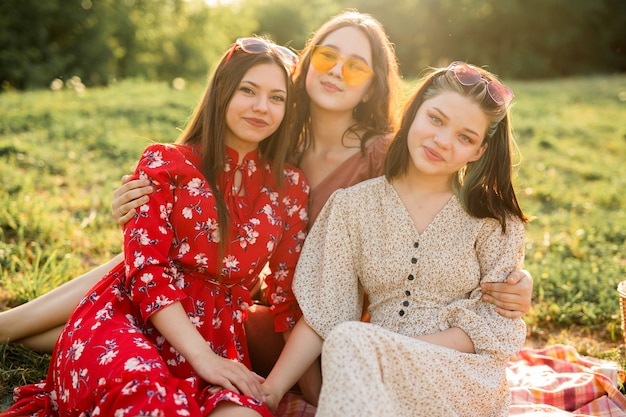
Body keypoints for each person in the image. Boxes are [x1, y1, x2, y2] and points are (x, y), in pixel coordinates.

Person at [0, 9, 533, 406]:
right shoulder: (276, 136)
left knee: (189, 292)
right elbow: (198, 216)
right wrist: (140, 203)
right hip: (253, 293)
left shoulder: (387, 154)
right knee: (162, 271)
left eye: (357, 68)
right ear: (305, 66)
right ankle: (14, 326)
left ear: (374, 86)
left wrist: (518, 281)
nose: (337, 73)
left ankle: (34, 329)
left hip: (328, 316)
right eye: (327, 57)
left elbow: (441, 221)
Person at [0, 36, 308, 417]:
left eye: (277, 98)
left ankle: (26, 333)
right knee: (148, 403)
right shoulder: (166, 162)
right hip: (131, 319)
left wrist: (285, 388)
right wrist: (202, 359)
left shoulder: (290, 187)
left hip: (219, 340)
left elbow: (289, 297)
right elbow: (146, 271)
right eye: (249, 90)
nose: (262, 107)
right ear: (222, 92)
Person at [261, 61, 529, 417]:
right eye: (436, 119)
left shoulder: (494, 221)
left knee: (349, 341)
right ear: (414, 113)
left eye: (465, 137)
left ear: (478, 152)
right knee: (346, 343)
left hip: (464, 377)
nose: (442, 141)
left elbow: (496, 324)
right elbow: (324, 314)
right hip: (372, 372)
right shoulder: (352, 206)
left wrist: (387, 350)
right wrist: (271, 389)